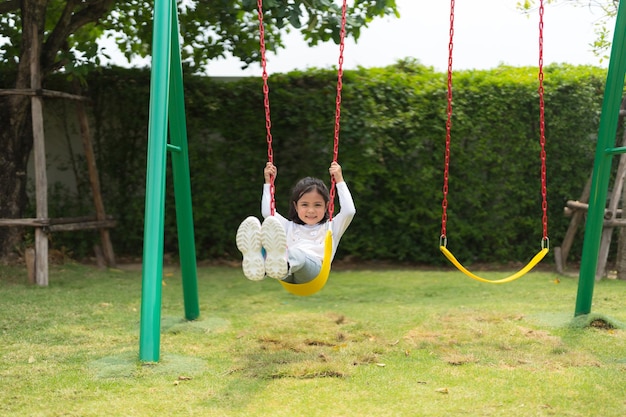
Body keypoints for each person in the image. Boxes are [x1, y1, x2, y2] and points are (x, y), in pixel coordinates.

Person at [236, 161, 356, 283]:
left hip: (313, 272)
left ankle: (274, 260)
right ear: (296, 206)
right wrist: (268, 182)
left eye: (317, 205)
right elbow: (268, 213)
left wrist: (339, 180)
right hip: (285, 273)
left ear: (326, 207)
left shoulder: (331, 226)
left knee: (297, 254)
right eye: (304, 204)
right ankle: (263, 264)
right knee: (273, 227)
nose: (311, 210)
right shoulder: (289, 226)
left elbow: (349, 211)